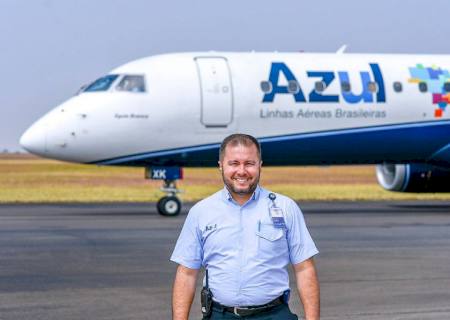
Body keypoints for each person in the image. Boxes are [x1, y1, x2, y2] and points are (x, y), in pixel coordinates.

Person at [171, 133, 320, 320]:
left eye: (249, 163)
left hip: (274, 314)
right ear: (221, 166)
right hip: (220, 315)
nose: (241, 171)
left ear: (260, 166)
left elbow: (304, 268)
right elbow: (186, 273)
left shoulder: (285, 208)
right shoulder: (201, 212)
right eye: (234, 163)